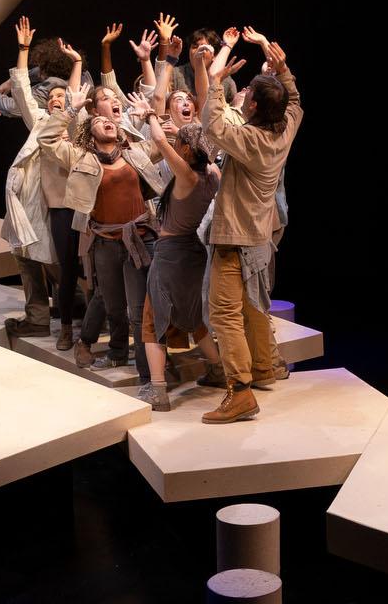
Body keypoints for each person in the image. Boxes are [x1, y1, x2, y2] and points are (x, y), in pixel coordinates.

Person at [193, 26, 302, 425]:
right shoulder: (284, 131)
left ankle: (239, 393)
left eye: (250, 96)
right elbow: (295, 101)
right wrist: (284, 69)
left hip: (235, 238)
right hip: (258, 235)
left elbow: (213, 123)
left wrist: (217, 82)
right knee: (254, 305)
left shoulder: (251, 141)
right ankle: (264, 367)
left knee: (224, 313)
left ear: (253, 106)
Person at [48, 24, 167, 373]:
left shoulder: (135, 152)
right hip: (104, 241)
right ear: (91, 130)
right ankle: (116, 353)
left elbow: (162, 144)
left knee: (137, 308)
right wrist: (70, 111)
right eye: (100, 121)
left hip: (139, 238)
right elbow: (49, 142)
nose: (108, 122)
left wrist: (151, 116)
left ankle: (147, 372)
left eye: (111, 120)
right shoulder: (80, 158)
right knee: (113, 305)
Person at [134, 36, 223, 412]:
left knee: (153, 320)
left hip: (171, 252)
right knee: (193, 318)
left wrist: (151, 115)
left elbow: (157, 137)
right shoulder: (213, 173)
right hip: (194, 252)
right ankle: (218, 369)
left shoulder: (185, 173)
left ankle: (158, 390)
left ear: (186, 149)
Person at [0, 18, 82, 339]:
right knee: (26, 255)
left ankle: (74, 305)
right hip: (28, 198)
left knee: (52, 258)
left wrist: (76, 63)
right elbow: (22, 90)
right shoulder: (41, 121)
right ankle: (40, 316)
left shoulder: (72, 125)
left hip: (54, 201)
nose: (59, 97)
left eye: (64, 94)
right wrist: (23, 49)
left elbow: (75, 97)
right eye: (54, 95)